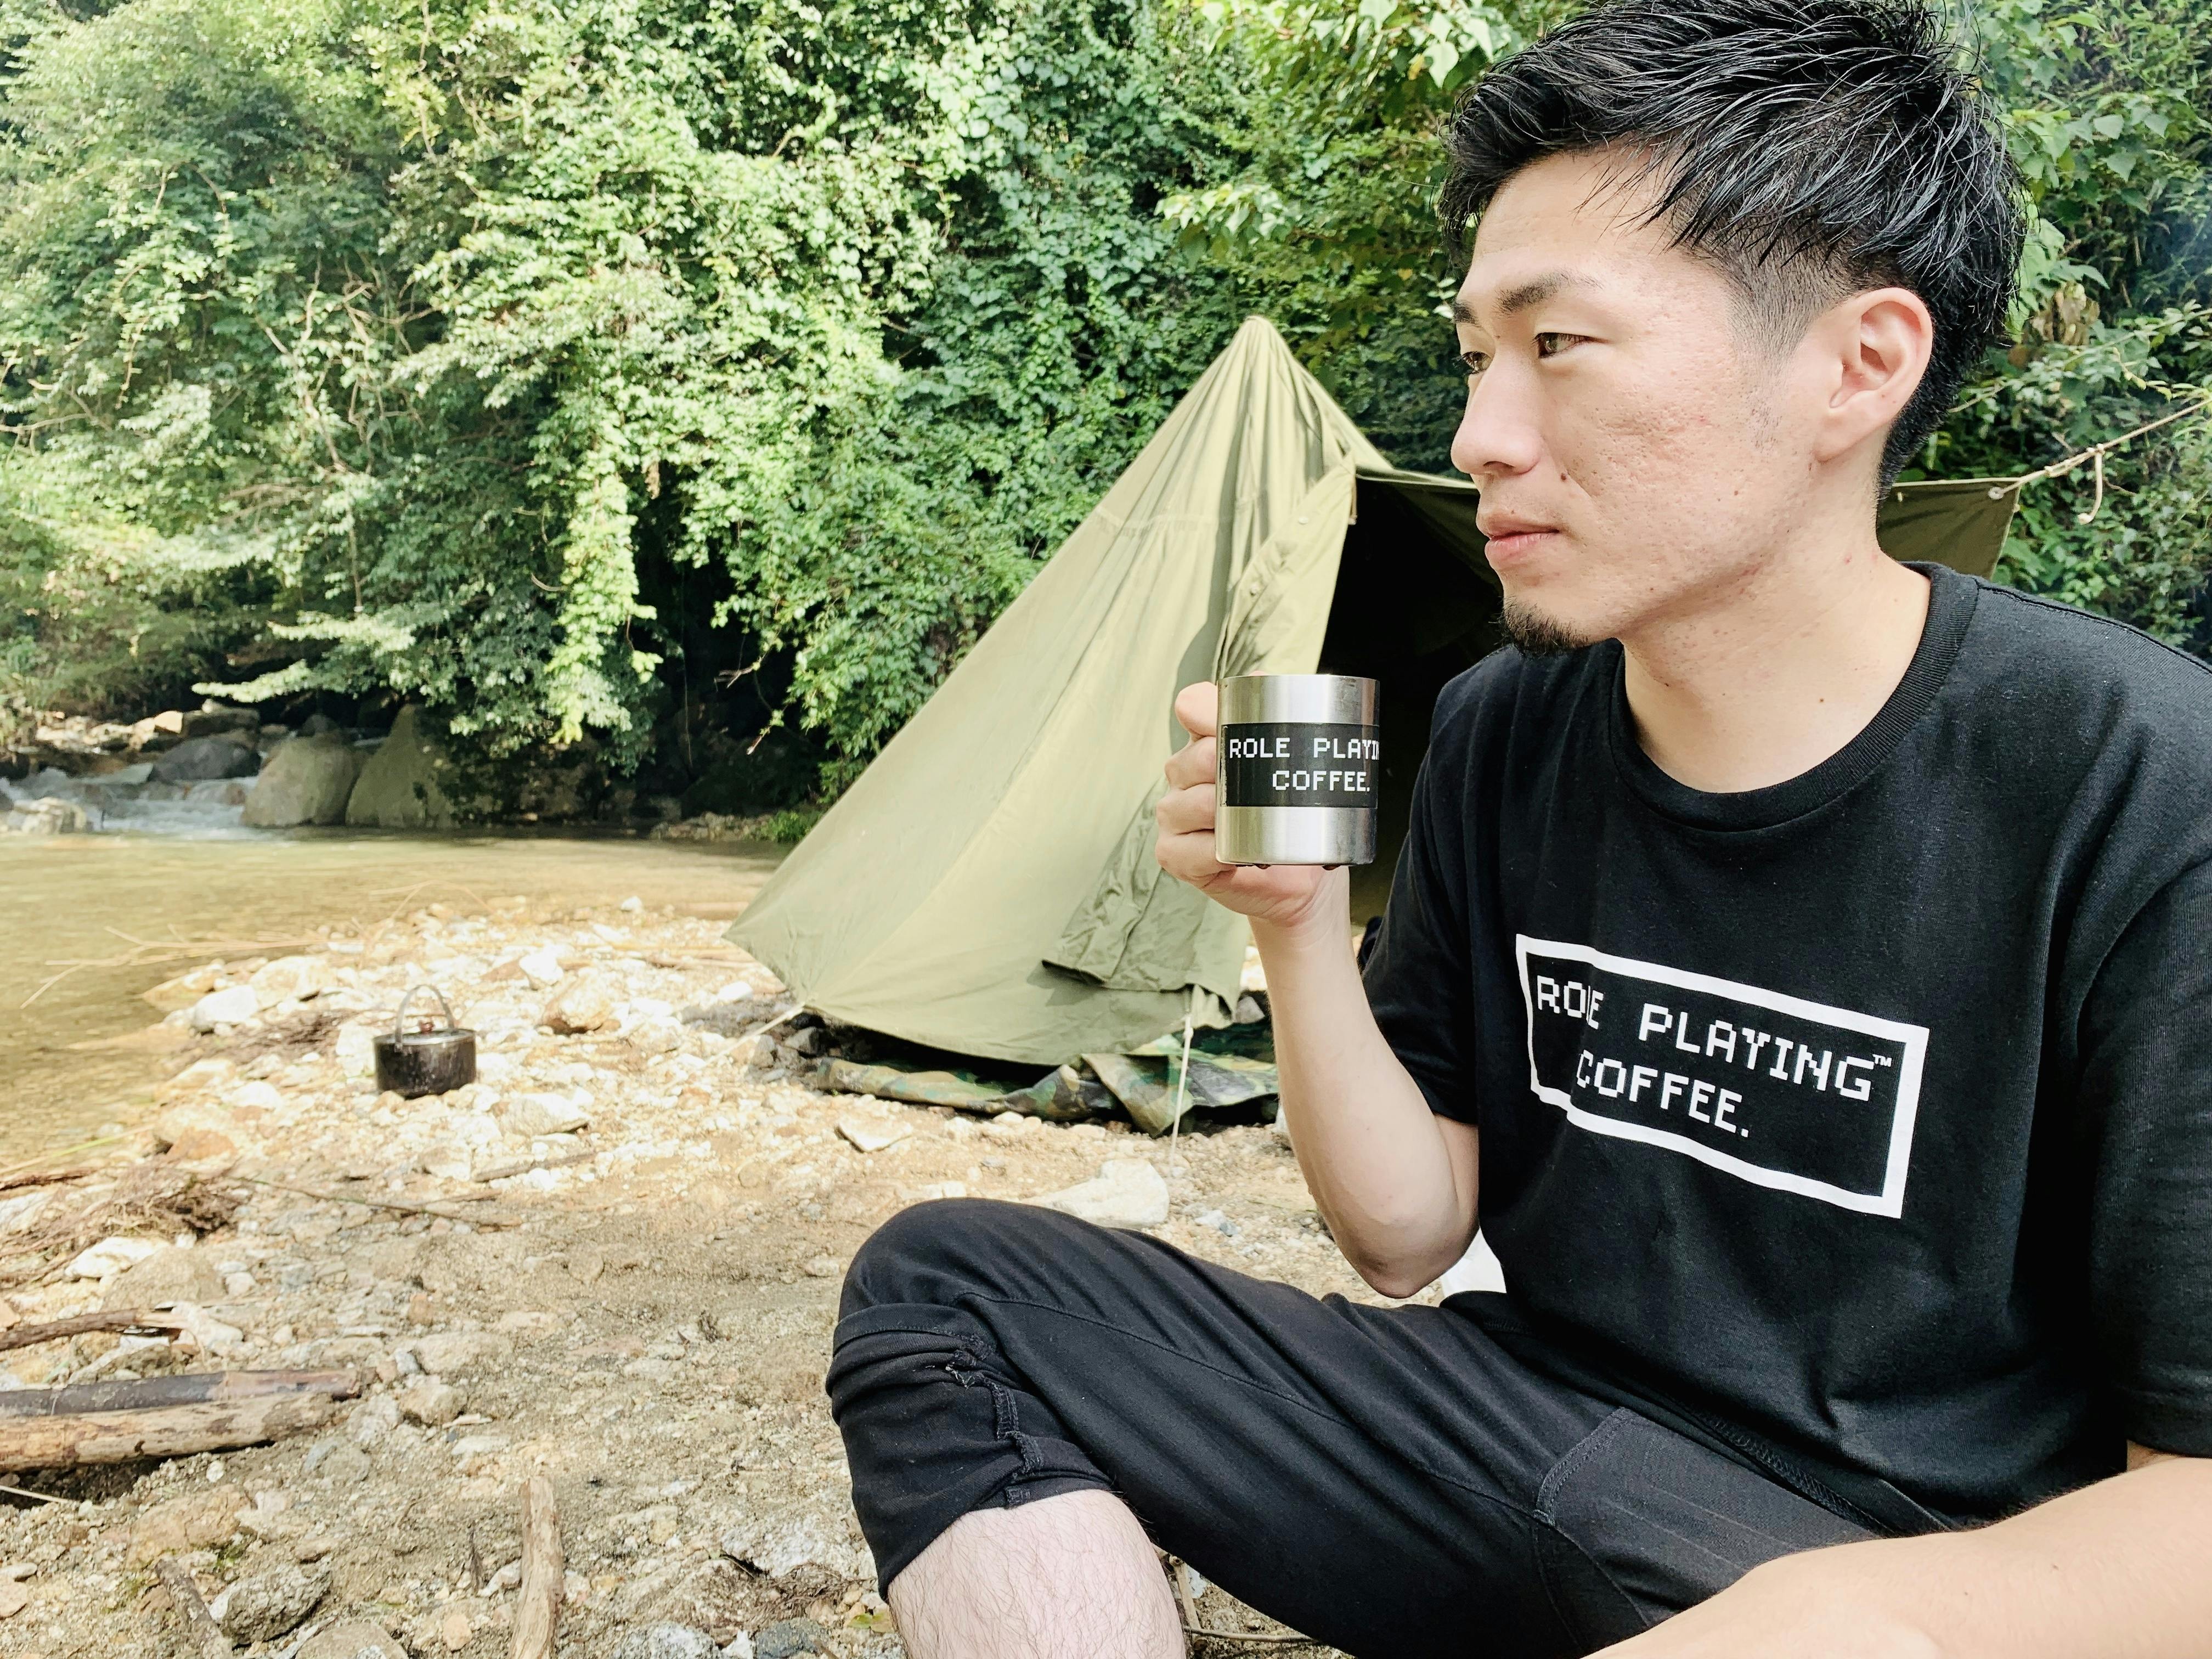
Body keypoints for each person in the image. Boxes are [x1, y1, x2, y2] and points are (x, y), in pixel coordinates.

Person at [823, 1, 2212, 1652]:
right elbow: (1409, 1237)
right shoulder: (1505, 726)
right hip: (1535, 1444)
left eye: (1558, 345)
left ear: (1860, 365)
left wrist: (1826, 1623)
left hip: (1916, 1564)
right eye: (1480, 352)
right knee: (950, 1296)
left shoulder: (2138, 781)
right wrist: (1293, 929)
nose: (1481, 433)